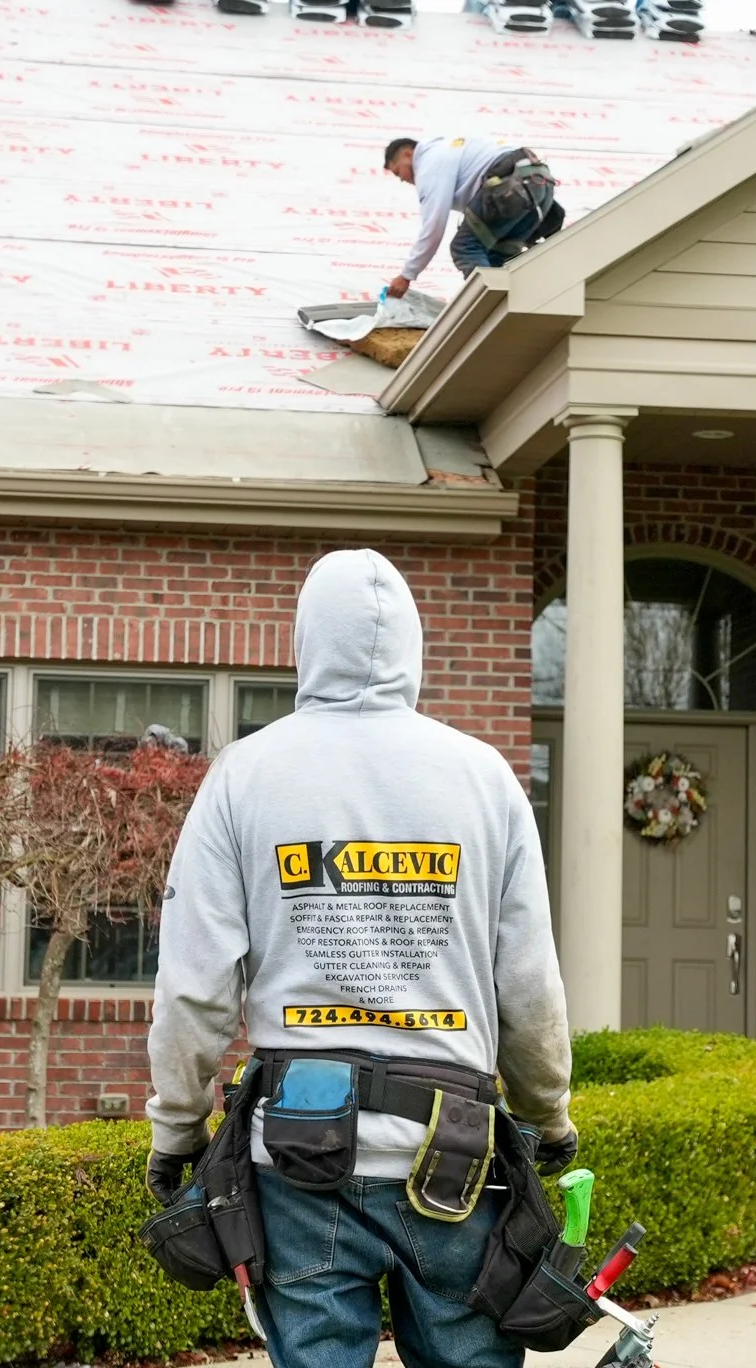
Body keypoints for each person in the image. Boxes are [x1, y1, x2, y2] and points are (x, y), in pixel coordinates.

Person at [146, 548, 577, 1368]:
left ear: (307, 642)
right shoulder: (484, 779)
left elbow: (195, 990)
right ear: (414, 647)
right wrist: (547, 1114)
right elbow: (529, 986)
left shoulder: (246, 775)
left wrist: (176, 1130)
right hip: (455, 1160)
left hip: (300, 1164)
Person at [383, 135, 567, 298]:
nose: (401, 179)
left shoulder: (428, 165)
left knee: (465, 247)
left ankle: (488, 307)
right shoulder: (447, 150)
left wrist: (407, 275)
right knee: (494, 254)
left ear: (408, 154)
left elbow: (434, 226)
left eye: (398, 172)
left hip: (513, 188)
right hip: (539, 186)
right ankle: (507, 307)